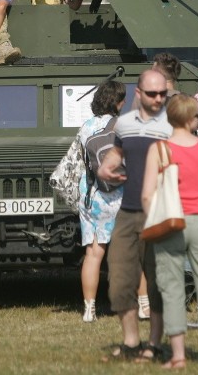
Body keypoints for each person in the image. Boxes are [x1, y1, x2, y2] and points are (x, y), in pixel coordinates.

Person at [141, 94, 198, 369]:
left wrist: (154, 219)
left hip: (171, 223)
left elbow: (147, 195)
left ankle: (178, 355)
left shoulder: (160, 150)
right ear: (189, 120)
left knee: (172, 287)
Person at [97, 70, 172, 363]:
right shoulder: (124, 123)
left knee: (157, 282)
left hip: (160, 212)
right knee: (118, 281)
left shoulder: (172, 124)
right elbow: (118, 151)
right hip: (127, 212)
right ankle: (130, 342)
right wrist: (107, 165)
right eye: (152, 94)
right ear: (138, 93)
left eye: (162, 94)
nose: (158, 99)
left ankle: (154, 344)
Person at [71, 81, 126, 322]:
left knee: (94, 253)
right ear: (117, 102)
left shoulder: (86, 127)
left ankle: (89, 310)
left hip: (93, 194)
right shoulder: (124, 126)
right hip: (121, 193)